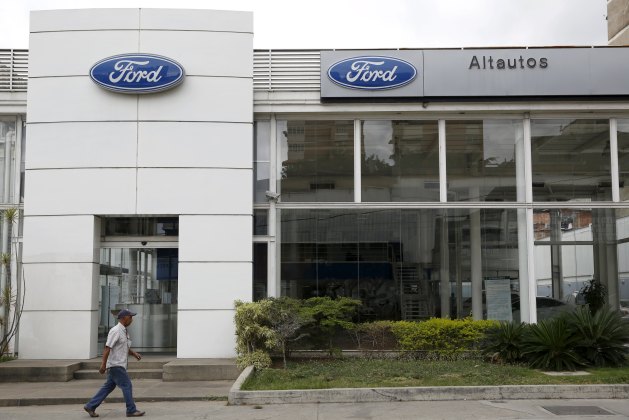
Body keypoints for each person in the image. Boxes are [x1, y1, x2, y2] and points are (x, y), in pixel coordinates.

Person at [83, 309, 145, 418]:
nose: (132, 319)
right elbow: (107, 348)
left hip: (118, 365)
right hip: (116, 365)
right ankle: (131, 410)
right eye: (130, 317)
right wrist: (103, 365)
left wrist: (134, 353)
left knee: (108, 387)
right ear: (124, 318)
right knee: (127, 385)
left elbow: (123, 347)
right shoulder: (115, 331)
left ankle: (90, 406)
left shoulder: (124, 331)